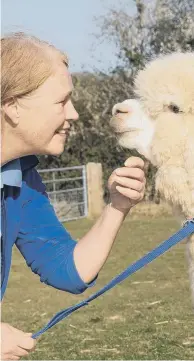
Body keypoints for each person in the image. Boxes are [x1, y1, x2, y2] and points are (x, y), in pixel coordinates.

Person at [1, 32, 146, 360]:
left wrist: (117, 206)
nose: (74, 114)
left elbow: (67, 270)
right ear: (12, 107)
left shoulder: (20, 178)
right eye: (61, 101)